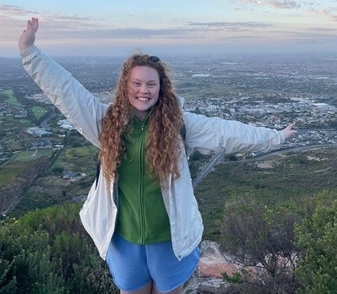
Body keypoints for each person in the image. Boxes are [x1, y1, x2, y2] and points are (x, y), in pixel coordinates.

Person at [18, 17, 295, 294]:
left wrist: (275, 137)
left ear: (161, 87)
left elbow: (227, 133)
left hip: (170, 242)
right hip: (125, 243)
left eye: (151, 84)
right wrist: (30, 52)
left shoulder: (180, 124)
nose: (143, 90)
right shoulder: (105, 122)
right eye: (137, 83)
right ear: (125, 86)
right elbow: (67, 92)